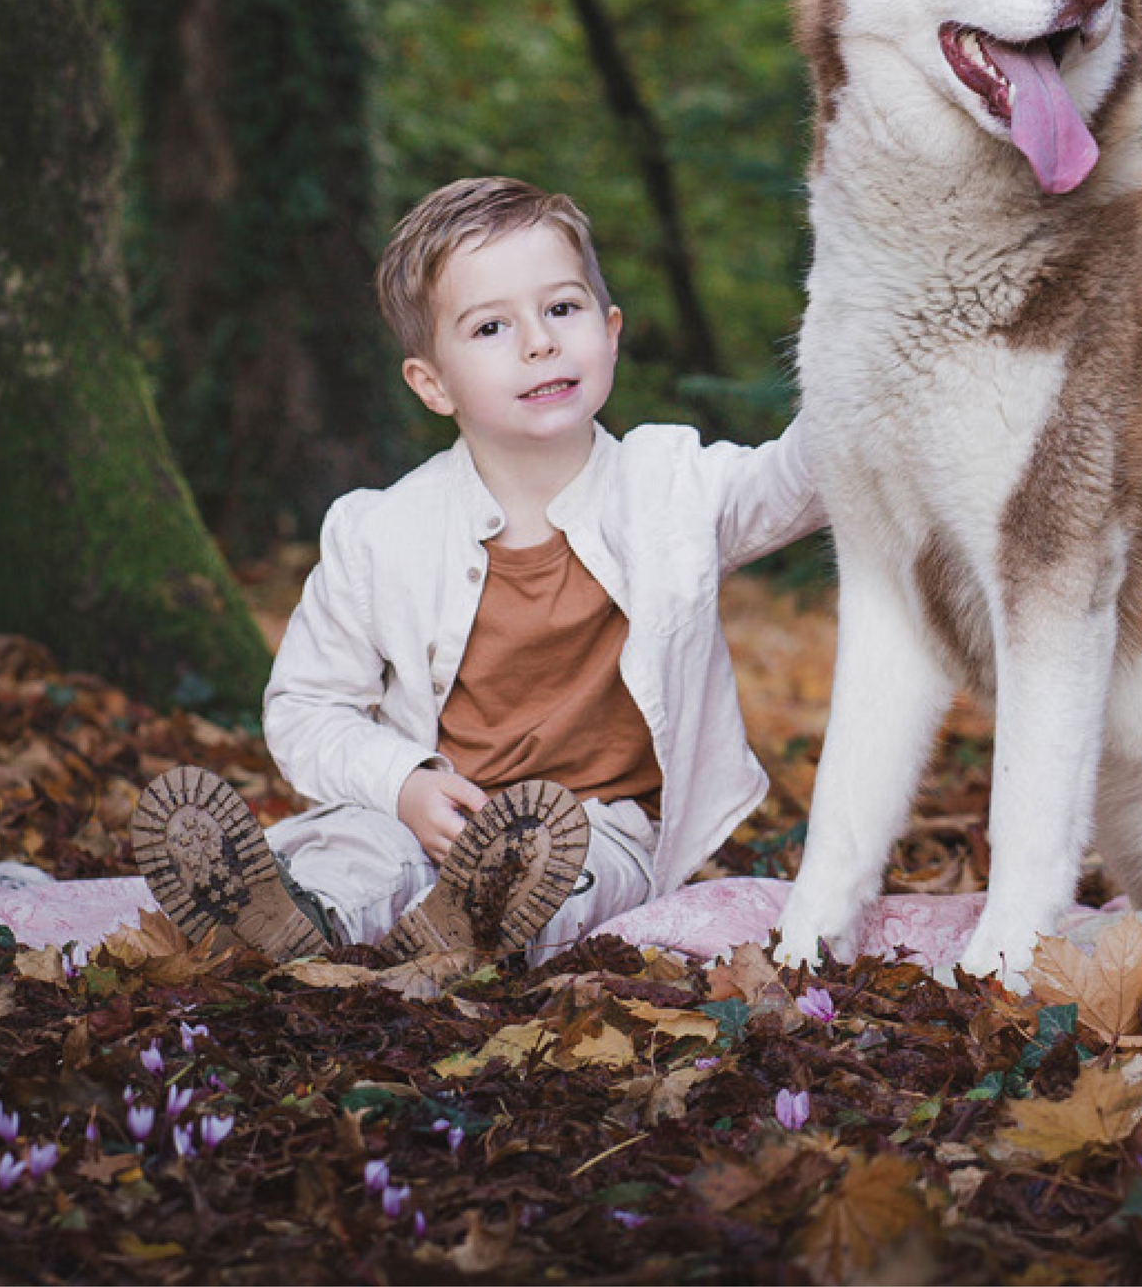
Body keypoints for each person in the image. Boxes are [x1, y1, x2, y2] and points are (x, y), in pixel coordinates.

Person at [132, 176, 824, 965]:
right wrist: (404, 783)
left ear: (611, 330)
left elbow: (800, 480)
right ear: (431, 383)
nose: (539, 341)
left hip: (595, 828)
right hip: (422, 815)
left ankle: (463, 932)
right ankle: (297, 919)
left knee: (571, 876)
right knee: (359, 853)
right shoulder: (380, 531)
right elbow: (305, 710)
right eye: (492, 326)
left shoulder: (675, 487)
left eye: (562, 309)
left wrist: (870, 354)